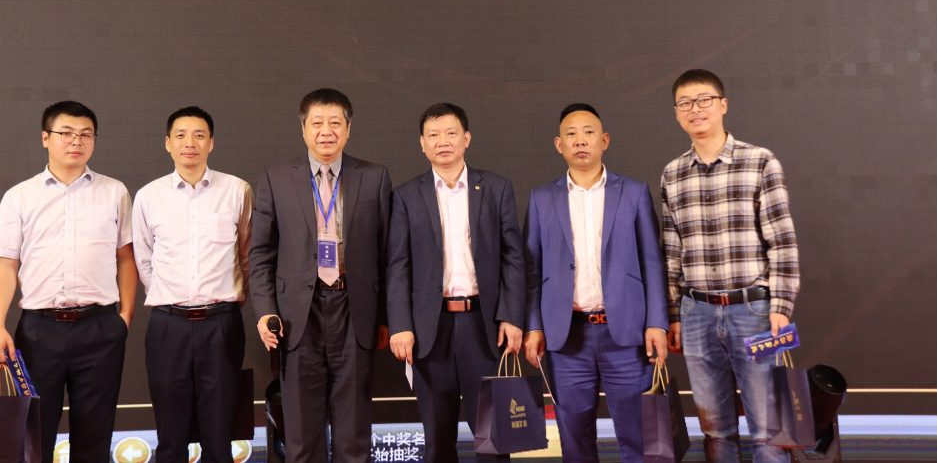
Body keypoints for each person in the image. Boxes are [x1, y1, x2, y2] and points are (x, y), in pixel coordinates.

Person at [661, 69, 801, 463]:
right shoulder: (672, 173)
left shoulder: (760, 162)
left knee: (769, 429)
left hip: (753, 311)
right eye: (685, 103)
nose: (695, 109)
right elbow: (671, 252)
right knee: (715, 429)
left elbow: (782, 241)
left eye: (704, 100)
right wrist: (674, 314)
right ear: (677, 113)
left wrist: (781, 308)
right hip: (696, 313)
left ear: (722, 105)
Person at [0, 100, 136, 463]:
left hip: (100, 328)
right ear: (45, 138)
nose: (76, 141)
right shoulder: (20, 196)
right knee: (33, 437)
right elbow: (6, 266)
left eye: (85, 134)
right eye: (66, 133)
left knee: (95, 436)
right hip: (39, 331)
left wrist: (125, 317)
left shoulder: (114, 192)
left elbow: (126, 258)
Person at [249, 88, 392, 463]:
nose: (326, 131)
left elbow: (387, 255)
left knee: (354, 435)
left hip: (353, 311)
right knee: (301, 436)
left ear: (348, 128)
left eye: (334, 123)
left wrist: (384, 318)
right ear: (303, 129)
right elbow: (261, 252)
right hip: (298, 316)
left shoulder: (374, 177)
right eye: (317, 123)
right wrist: (265, 310)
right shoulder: (276, 178)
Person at [523, 103, 668, 463]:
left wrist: (657, 322)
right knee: (575, 440)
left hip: (627, 336)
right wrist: (534, 327)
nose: (580, 140)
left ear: (604, 140)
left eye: (588, 132)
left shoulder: (633, 193)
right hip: (567, 337)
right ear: (559, 144)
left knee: (638, 437)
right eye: (571, 134)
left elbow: (652, 262)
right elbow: (532, 270)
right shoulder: (542, 199)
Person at [387, 103, 525, 463]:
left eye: (451, 133)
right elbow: (397, 266)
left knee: (494, 440)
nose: (442, 141)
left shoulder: (496, 188)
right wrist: (400, 325)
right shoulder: (405, 196)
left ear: (466, 138)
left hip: (484, 327)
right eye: (433, 135)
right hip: (429, 332)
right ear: (422, 144)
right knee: (437, 442)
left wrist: (512, 316)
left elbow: (513, 257)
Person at [132, 106, 252, 462]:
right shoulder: (148, 196)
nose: (190, 143)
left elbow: (247, 254)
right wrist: (172, 298)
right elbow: (144, 260)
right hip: (168, 325)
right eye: (181, 135)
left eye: (199, 135)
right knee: (171, 437)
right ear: (167, 143)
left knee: (220, 434)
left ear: (211, 143)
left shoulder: (237, 190)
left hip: (221, 324)